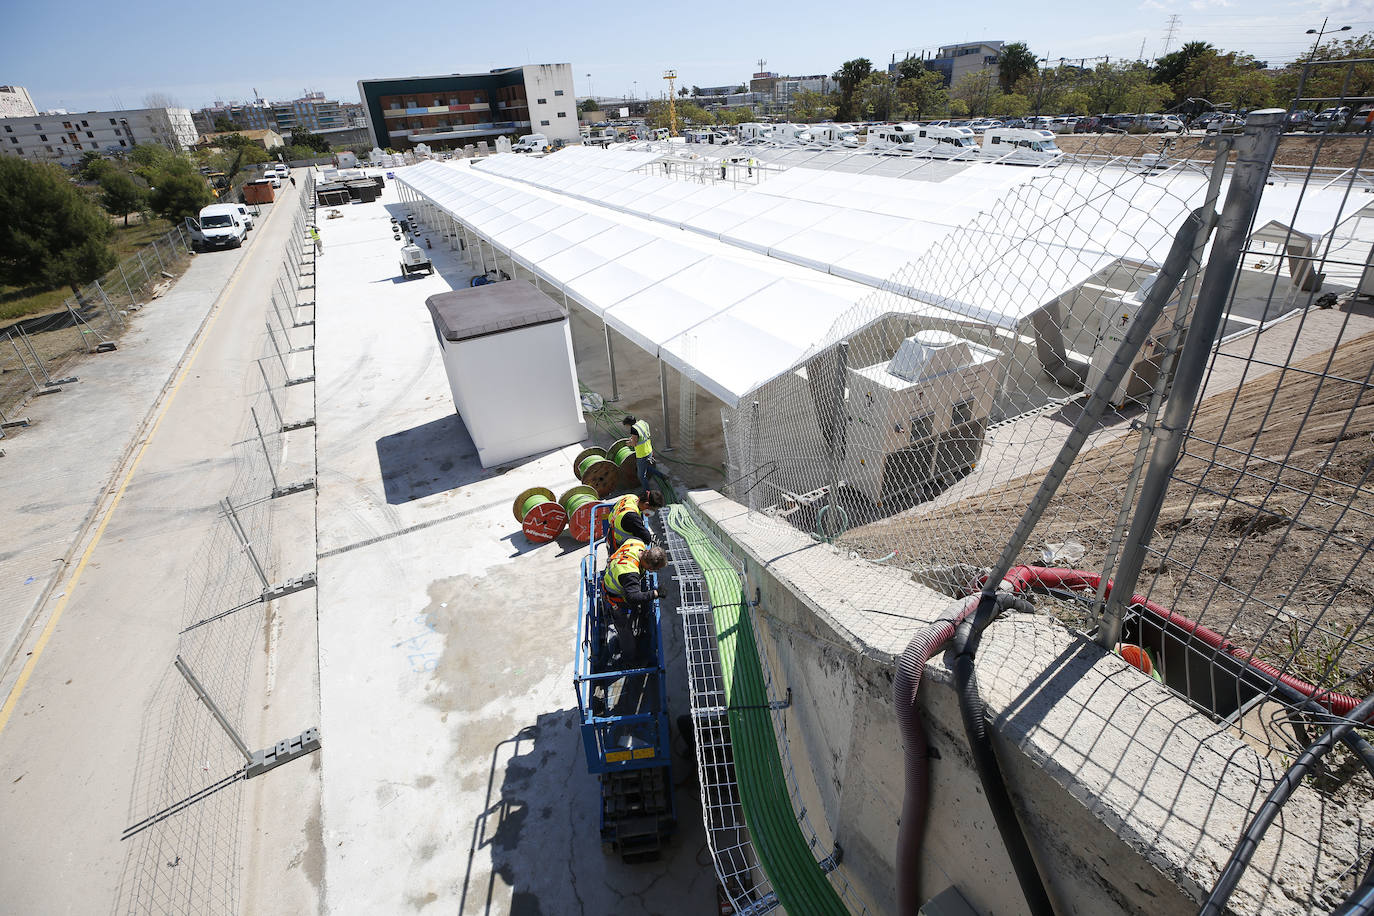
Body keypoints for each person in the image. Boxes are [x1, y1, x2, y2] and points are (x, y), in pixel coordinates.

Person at [601, 538, 667, 663]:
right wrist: (656, 593)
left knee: (635, 610)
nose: (653, 572)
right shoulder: (630, 573)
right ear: (647, 564)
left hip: (615, 577)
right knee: (625, 630)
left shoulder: (637, 544)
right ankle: (629, 659)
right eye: (654, 569)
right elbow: (633, 597)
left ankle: (637, 625)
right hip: (615, 598)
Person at [622, 415, 670, 492]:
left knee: (641, 476)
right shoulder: (642, 423)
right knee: (647, 467)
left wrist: (629, 443)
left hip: (642, 454)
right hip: (649, 450)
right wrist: (633, 439)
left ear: (629, 424)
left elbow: (634, 443)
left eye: (627, 425)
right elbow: (643, 435)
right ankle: (663, 476)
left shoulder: (634, 429)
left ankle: (647, 492)